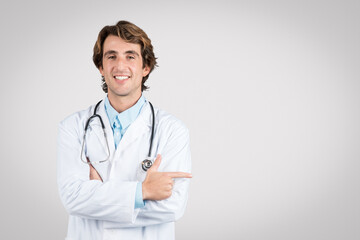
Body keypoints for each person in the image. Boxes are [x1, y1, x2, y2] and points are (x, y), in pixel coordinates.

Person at [57, 20, 192, 240]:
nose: (120, 66)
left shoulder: (173, 130)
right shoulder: (73, 127)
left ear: (145, 67)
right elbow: (72, 199)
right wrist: (143, 192)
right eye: (111, 56)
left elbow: (173, 207)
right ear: (101, 66)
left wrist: (97, 200)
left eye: (130, 56)